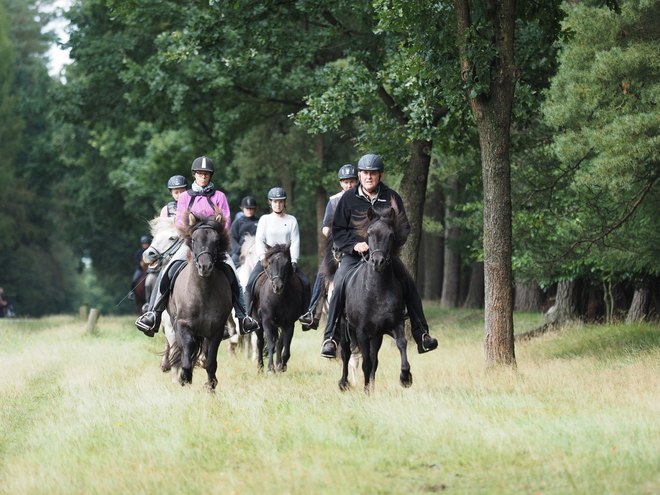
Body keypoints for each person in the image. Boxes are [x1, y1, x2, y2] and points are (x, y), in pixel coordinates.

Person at [319, 153, 439, 358]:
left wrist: (386, 248)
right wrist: (355, 245)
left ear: (380, 175)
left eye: (373, 173)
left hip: (384, 255)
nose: (368, 177)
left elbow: (404, 228)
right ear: (359, 175)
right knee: (339, 284)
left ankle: (421, 334)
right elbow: (337, 230)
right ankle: (330, 338)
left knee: (407, 281)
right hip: (355, 255)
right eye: (365, 173)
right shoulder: (348, 199)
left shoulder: (391, 197)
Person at [135, 156, 260, 336]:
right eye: (200, 174)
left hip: (213, 245)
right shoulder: (185, 197)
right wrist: (194, 231)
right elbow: (179, 220)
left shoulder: (219, 196)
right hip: (190, 243)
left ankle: (243, 318)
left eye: (206, 174)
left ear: (210, 176)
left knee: (233, 273)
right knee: (167, 271)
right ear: (194, 175)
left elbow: (226, 221)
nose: (203, 177)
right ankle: (153, 314)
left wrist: (210, 231)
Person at [298, 164, 358, 330]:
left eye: (352, 182)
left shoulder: (362, 199)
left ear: (357, 181)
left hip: (360, 248)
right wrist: (337, 235)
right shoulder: (334, 201)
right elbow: (325, 227)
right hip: (338, 249)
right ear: (341, 183)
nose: (349, 185)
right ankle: (312, 312)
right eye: (346, 182)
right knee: (323, 273)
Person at [244, 187, 311, 314]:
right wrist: (262, 257)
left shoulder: (291, 220)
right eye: (275, 201)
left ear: (285, 202)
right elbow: (259, 239)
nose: (278, 204)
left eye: (280, 201)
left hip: (286, 262)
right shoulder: (264, 219)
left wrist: (294, 260)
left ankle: (306, 314)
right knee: (250, 283)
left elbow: (295, 240)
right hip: (268, 261)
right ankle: (247, 315)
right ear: (270, 202)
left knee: (306, 283)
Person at [230, 196, 259, 266]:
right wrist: (240, 250)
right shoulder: (237, 222)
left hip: (256, 252)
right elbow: (232, 237)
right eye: (247, 209)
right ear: (242, 209)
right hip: (240, 252)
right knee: (232, 264)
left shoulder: (260, 222)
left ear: (255, 209)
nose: (249, 211)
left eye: (251, 209)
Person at [129, 235, 150, 300]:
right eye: (144, 244)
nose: (145, 245)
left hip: (150, 270)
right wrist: (140, 263)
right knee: (134, 279)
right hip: (140, 270)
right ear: (142, 244)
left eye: (146, 243)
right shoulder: (139, 252)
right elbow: (135, 260)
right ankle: (132, 293)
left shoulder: (151, 251)